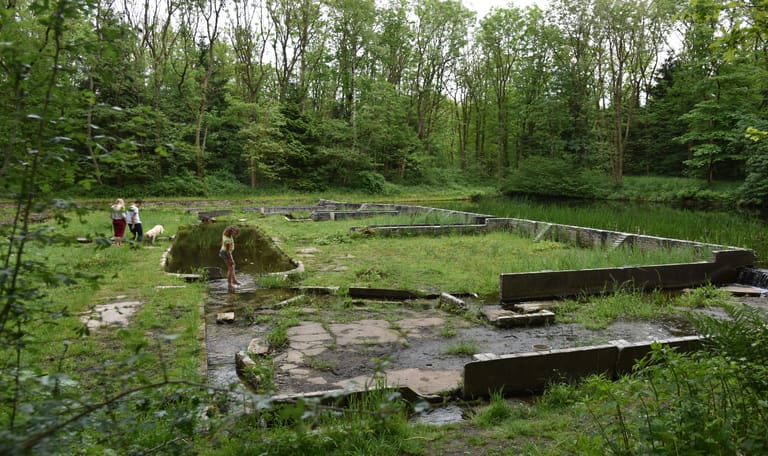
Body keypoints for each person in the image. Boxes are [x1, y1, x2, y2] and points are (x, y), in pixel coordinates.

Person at [219, 225, 242, 293]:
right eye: (236, 234)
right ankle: (230, 284)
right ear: (232, 232)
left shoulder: (226, 233)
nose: (236, 235)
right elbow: (228, 251)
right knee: (230, 268)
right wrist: (231, 259)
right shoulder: (228, 240)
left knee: (233, 266)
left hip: (225, 252)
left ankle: (234, 280)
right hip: (225, 253)